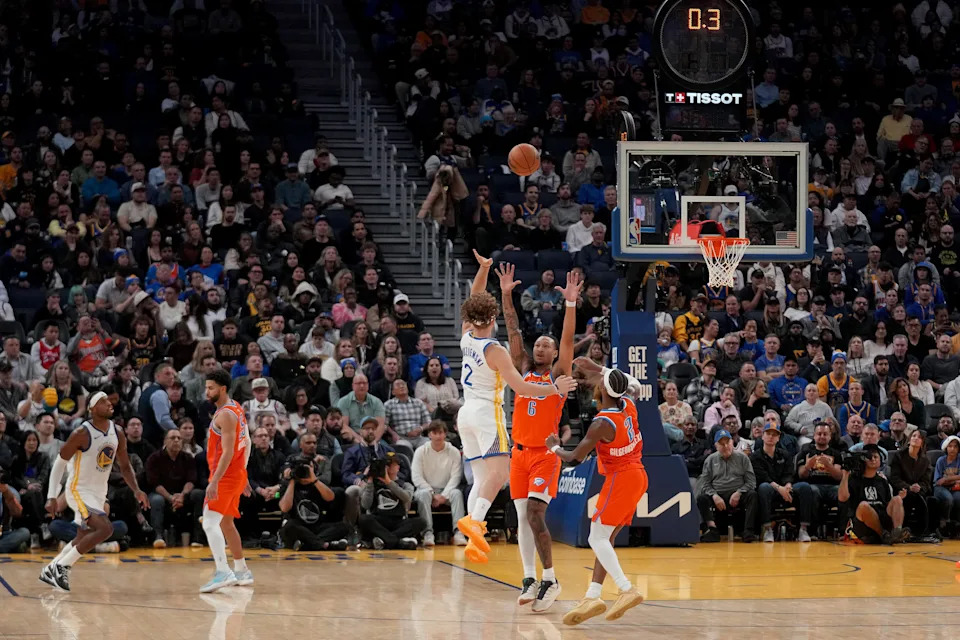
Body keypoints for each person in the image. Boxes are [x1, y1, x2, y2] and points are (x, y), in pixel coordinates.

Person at [455, 250, 575, 564]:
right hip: (485, 412)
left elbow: (474, 296)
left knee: (481, 478)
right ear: (492, 320)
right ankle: (475, 522)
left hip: (464, 413)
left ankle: (472, 535)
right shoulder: (496, 350)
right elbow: (521, 388)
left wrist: (483, 270)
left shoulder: (466, 336)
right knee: (499, 473)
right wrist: (554, 388)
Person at [497, 261, 580, 612]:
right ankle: (530, 579)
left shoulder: (559, 376)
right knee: (521, 520)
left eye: (549, 345)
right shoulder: (521, 370)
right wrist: (505, 295)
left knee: (535, 514)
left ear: (556, 354)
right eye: (541, 344)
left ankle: (551, 579)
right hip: (518, 453)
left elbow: (567, 338)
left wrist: (571, 304)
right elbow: (513, 328)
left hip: (544, 454)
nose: (543, 347)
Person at [547, 365, 646, 627]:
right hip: (637, 475)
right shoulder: (628, 403)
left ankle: (627, 589)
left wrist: (554, 447)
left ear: (603, 390)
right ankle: (593, 596)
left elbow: (575, 457)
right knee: (606, 539)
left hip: (621, 478)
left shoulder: (602, 423)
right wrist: (599, 368)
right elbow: (631, 382)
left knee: (596, 537)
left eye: (601, 381)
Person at [39, 392, 149, 591]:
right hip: (78, 489)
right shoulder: (82, 432)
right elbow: (59, 463)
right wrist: (52, 496)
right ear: (92, 408)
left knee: (83, 535)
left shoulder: (118, 432)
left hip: (99, 491)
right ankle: (63, 567)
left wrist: (137, 490)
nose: (109, 403)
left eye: (109, 400)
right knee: (105, 528)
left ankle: (50, 568)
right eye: (103, 401)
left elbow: (125, 467)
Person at [199, 370, 253, 593]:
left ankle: (223, 571)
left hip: (225, 476)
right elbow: (247, 441)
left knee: (209, 522)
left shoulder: (225, 415)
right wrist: (244, 473)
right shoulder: (236, 408)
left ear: (222, 389)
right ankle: (241, 570)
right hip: (236, 474)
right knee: (226, 523)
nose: (207, 391)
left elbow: (228, 452)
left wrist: (215, 482)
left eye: (210, 388)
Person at [838, 443, 910, 544]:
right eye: (869, 457)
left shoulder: (882, 480)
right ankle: (883, 535)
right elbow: (842, 498)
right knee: (864, 505)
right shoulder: (854, 479)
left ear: (880, 461)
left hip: (881, 517)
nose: (873, 459)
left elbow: (888, 505)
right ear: (863, 460)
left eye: (876, 457)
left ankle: (896, 533)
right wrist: (845, 475)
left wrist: (899, 498)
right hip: (862, 522)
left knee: (897, 499)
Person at [696, 429, 759, 543]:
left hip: (737, 493)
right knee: (702, 499)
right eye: (721, 443)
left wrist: (739, 492)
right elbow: (705, 483)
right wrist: (714, 495)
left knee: (753, 495)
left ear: (732, 443)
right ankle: (712, 530)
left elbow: (751, 482)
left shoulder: (743, 458)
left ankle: (748, 531)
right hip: (718, 493)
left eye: (728, 442)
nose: (725, 446)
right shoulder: (710, 460)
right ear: (716, 446)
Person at [411, 421, 466, 548]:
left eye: (440, 433)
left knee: (457, 493)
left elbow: (456, 476)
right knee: (423, 495)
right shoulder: (421, 451)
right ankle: (428, 533)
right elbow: (416, 477)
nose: (437, 436)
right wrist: (432, 493)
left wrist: (444, 495)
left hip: (447, 489)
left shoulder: (453, 451)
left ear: (445, 434)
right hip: (426, 489)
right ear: (429, 434)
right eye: (434, 433)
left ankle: (459, 532)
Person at [358, 451, 425, 549]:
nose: (387, 468)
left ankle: (383, 540)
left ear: (398, 467)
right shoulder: (372, 484)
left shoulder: (405, 484)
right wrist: (369, 482)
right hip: (379, 521)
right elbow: (365, 505)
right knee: (363, 519)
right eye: (386, 465)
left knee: (421, 522)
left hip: (398, 521)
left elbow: (406, 498)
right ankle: (395, 541)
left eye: (391, 465)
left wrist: (389, 482)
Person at [751, 423, 794, 542]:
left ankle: (804, 529)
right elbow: (763, 477)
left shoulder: (785, 454)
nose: (771, 437)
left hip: (785, 489)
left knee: (804, 488)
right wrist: (779, 488)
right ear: (763, 436)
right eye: (768, 434)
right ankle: (767, 529)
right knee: (764, 487)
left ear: (778, 438)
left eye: (774, 435)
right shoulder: (755, 457)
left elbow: (789, 473)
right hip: (768, 489)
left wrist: (788, 485)